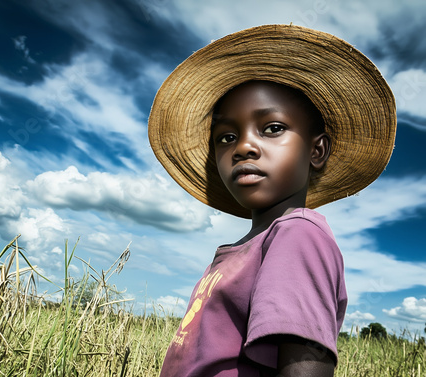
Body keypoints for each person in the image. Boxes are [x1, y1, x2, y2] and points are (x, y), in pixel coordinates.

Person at [148, 24, 396, 377]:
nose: (244, 147)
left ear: (317, 150)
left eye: (273, 128)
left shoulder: (297, 236)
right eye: (226, 137)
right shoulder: (246, 249)